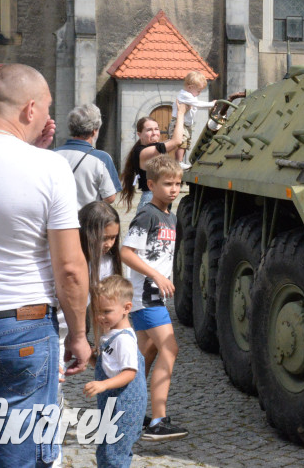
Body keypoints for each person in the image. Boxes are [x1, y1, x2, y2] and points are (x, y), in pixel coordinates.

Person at [0, 63, 91, 467]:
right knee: (16, 458)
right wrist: (79, 334)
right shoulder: (50, 168)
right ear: (30, 109)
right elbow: (70, 268)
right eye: (48, 108)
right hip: (25, 325)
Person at [120, 154, 187, 441]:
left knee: (145, 355)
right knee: (170, 349)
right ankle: (158, 420)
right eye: (168, 183)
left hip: (152, 297)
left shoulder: (170, 215)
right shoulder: (147, 213)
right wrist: (158, 276)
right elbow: (126, 252)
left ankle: (125, 414)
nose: (174, 189)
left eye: (178, 184)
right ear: (151, 184)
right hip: (146, 297)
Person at [83, 275, 146, 468]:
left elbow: (129, 373)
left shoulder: (124, 340)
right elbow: (109, 367)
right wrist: (89, 357)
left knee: (114, 455)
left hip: (123, 407)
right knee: (106, 450)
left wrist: (103, 385)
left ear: (126, 308)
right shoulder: (111, 334)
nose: (100, 317)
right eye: (96, 311)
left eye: (106, 311)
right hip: (111, 405)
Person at [118, 103, 187, 211]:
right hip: (151, 200)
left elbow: (175, 139)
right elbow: (176, 141)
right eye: (149, 130)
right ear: (139, 134)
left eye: (156, 129)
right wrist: (181, 114)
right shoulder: (143, 151)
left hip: (159, 201)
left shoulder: (155, 147)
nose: (154, 133)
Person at [55, 104, 121, 206]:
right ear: (94, 131)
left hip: (57, 218)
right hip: (87, 218)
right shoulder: (102, 158)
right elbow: (110, 197)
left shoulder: (52, 154)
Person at [79, 201, 123, 308]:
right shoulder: (72, 260)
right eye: (103, 238)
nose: (109, 244)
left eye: (113, 238)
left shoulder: (108, 261)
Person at [171, 71, 214, 167]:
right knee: (181, 142)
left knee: (185, 143)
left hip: (186, 124)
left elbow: (195, 106)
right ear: (190, 87)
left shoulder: (190, 96)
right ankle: (178, 162)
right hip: (179, 123)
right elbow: (197, 104)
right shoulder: (185, 95)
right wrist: (211, 104)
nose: (199, 93)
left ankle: (180, 161)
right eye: (198, 91)